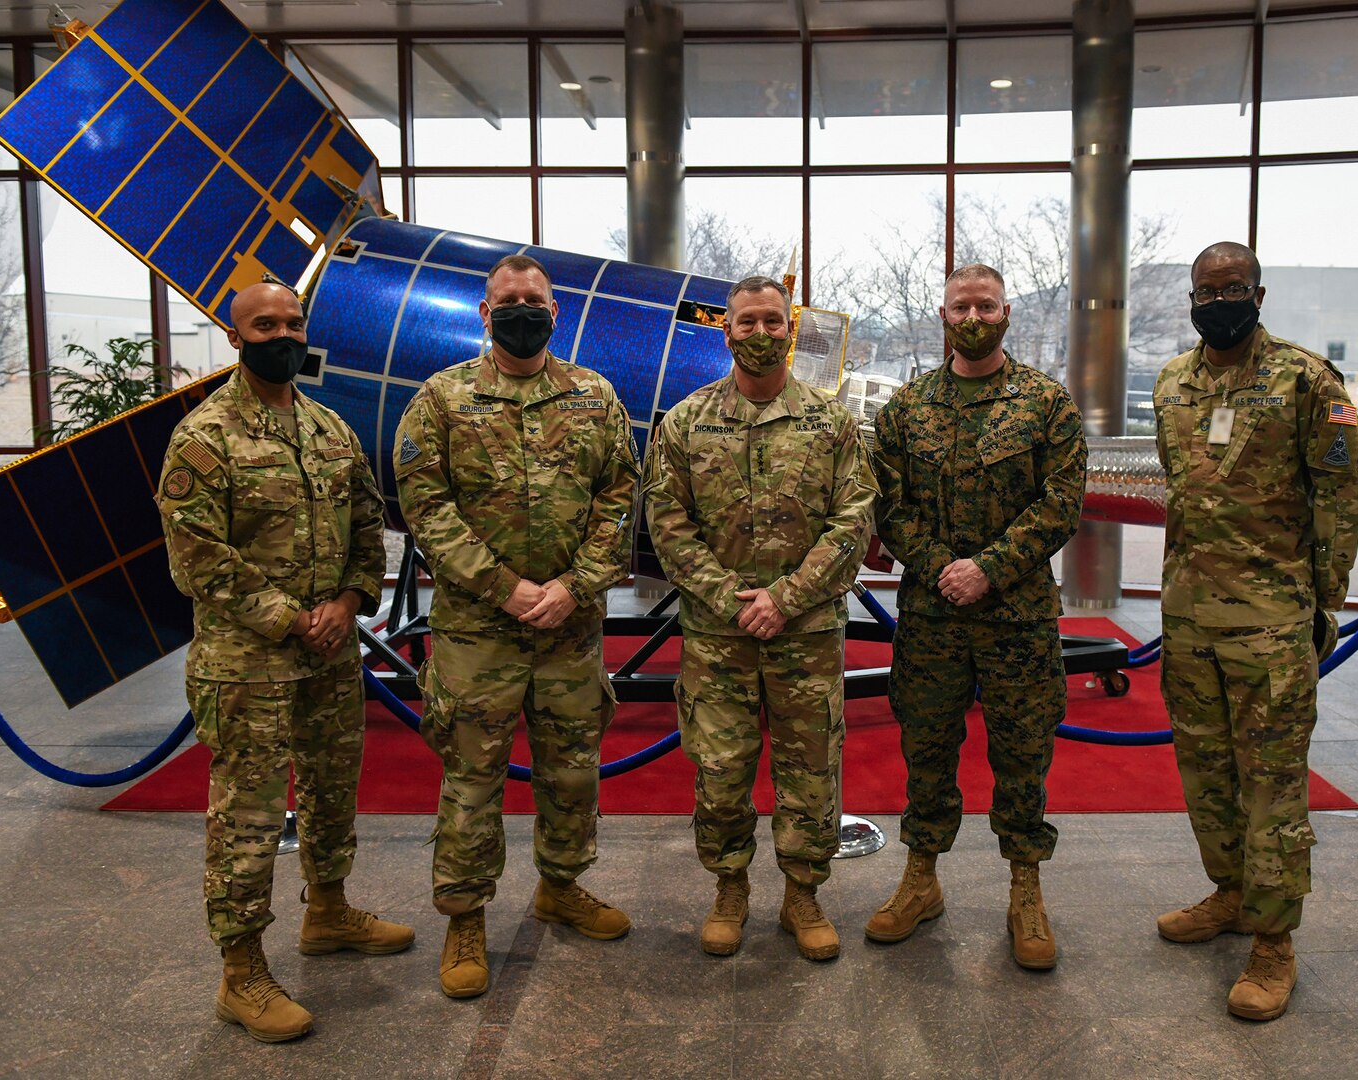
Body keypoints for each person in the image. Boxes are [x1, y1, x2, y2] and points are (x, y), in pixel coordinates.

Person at [156, 281, 413, 1044]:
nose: (283, 334)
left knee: (334, 789)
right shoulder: (204, 437)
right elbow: (195, 556)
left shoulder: (329, 428)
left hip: (329, 654)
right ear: (235, 339)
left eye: (293, 322)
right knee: (249, 816)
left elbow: (370, 524)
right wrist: (288, 618)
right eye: (265, 324)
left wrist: (351, 600)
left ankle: (328, 913)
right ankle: (240, 972)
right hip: (248, 665)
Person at [394, 253, 639, 1000]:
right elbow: (425, 511)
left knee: (571, 771)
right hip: (478, 633)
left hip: (570, 629)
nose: (522, 309)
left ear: (555, 312)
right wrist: (506, 588)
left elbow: (620, 499)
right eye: (509, 300)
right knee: (472, 779)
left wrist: (575, 586)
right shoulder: (440, 400)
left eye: (534, 299)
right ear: (485, 312)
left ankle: (561, 884)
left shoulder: (596, 398)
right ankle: (464, 917)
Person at [1153, 241, 1358, 1022]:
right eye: (1206, 290)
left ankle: (1275, 943)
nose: (1219, 300)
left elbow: (1343, 492)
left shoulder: (1307, 379)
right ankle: (1232, 894)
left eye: (1233, 287)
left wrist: (1324, 598)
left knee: (1272, 790)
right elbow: (1181, 495)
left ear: (1259, 293)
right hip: (1190, 619)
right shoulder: (1173, 381)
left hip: (1273, 621)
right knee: (1206, 777)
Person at [642, 274, 876, 960]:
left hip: (804, 634)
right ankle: (730, 886)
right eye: (747, 323)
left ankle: (803, 893)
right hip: (720, 637)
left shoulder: (830, 422)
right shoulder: (687, 421)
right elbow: (667, 522)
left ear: (791, 329)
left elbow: (854, 520)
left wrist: (787, 597)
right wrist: (728, 596)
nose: (761, 334)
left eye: (773, 322)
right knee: (720, 770)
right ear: (727, 330)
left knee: (809, 772)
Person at [865, 263, 1085, 971]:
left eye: (985, 306)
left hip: (1017, 617)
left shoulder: (1046, 403)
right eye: (962, 307)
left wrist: (988, 567)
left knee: (1023, 755)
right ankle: (921, 879)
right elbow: (887, 506)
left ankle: (1025, 889)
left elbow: (1061, 503)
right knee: (926, 750)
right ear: (942, 314)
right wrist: (941, 567)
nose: (974, 318)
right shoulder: (908, 408)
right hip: (932, 617)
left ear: (1007, 311)